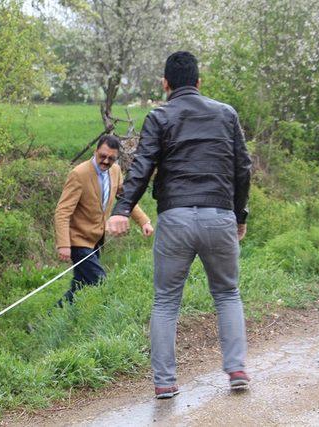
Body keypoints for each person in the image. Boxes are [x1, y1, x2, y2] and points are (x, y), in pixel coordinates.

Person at [106, 51, 253, 398]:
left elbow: (142, 167)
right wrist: (239, 215)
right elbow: (243, 168)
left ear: (165, 84)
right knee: (228, 293)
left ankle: (165, 382)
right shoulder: (226, 114)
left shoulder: (159, 116)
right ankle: (236, 370)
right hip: (219, 216)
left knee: (166, 301)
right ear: (199, 83)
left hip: (175, 218)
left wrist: (121, 210)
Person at [54, 135, 154, 307]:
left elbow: (125, 198)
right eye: (103, 156)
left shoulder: (115, 171)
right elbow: (62, 212)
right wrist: (64, 244)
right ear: (95, 152)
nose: (106, 161)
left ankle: (52, 319)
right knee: (100, 281)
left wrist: (144, 221)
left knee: (81, 284)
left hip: (96, 240)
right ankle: (114, 316)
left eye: (111, 158)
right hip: (79, 241)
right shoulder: (79, 174)